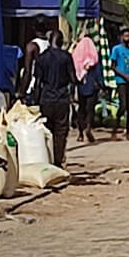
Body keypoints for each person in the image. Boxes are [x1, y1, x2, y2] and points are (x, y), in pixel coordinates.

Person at [31, 33, 75, 163]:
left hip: (46, 99)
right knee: (61, 132)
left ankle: (47, 159)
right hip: (61, 99)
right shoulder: (66, 57)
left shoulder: (41, 58)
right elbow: (73, 79)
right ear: (61, 42)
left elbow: (37, 82)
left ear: (49, 41)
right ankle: (58, 160)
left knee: (46, 132)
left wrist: (36, 101)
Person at [71, 30, 101, 143]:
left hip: (80, 85)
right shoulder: (94, 57)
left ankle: (80, 134)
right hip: (92, 85)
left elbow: (73, 72)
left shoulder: (76, 56)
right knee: (90, 109)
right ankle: (88, 127)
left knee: (81, 109)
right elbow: (98, 72)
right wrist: (102, 85)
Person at [109, 31, 129, 139]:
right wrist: (123, 75)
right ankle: (115, 128)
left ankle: (128, 131)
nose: (127, 38)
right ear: (122, 37)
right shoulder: (116, 49)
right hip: (121, 81)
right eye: (125, 36)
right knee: (122, 105)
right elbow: (113, 66)